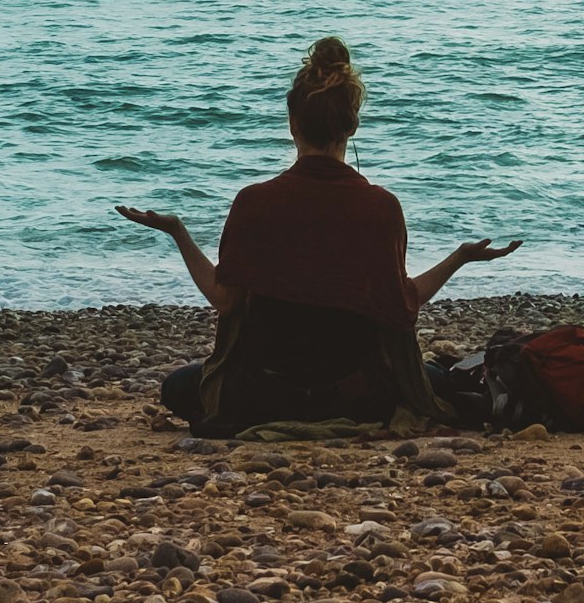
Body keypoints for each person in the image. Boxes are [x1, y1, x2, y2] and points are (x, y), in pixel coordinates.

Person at [117, 37, 519, 435]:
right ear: (352, 123)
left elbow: (225, 300)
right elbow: (403, 307)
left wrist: (178, 232)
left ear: (292, 122)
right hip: (357, 397)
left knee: (178, 388)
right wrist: (459, 258)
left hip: (261, 394)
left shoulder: (255, 202)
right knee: (435, 375)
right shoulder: (381, 206)